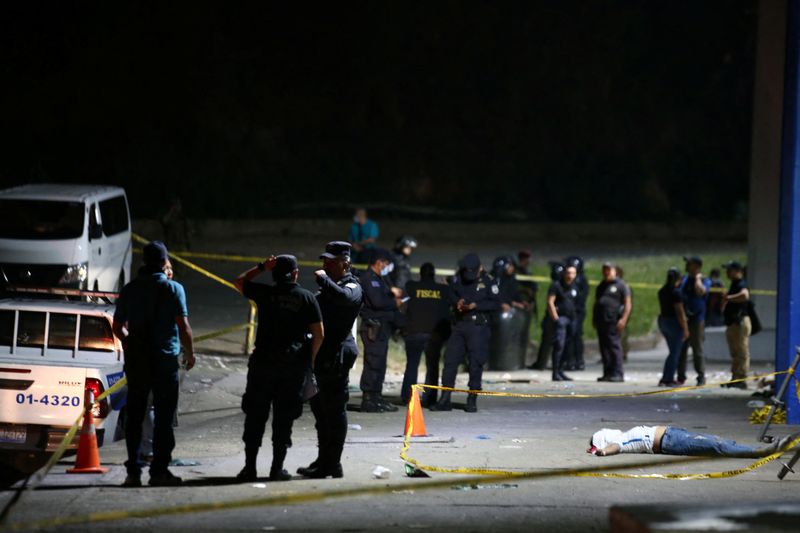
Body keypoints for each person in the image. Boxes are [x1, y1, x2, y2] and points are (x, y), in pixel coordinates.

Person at [233, 255, 324, 482]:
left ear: (274, 273)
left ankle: (249, 468)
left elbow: (239, 281)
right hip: (291, 367)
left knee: (255, 417)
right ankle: (276, 469)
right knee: (283, 419)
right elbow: (319, 334)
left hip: (263, 364)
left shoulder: (265, 293)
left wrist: (261, 266)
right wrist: (311, 361)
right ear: (295, 274)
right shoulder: (306, 297)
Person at [113, 241, 195, 487]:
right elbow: (184, 327)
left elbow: (117, 327)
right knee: (163, 418)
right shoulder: (174, 289)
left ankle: (133, 472)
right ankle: (159, 471)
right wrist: (190, 354)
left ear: (143, 262)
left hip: (138, 363)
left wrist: (129, 345)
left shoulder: (130, 290)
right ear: (163, 262)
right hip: (165, 362)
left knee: (135, 417)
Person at [298, 241, 363, 479]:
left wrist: (323, 279)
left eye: (330, 261)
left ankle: (333, 463)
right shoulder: (329, 287)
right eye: (323, 261)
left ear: (344, 263)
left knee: (334, 410)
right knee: (320, 409)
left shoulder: (351, 286)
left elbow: (345, 298)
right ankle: (323, 460)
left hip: (338, 353)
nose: (324, 265)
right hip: (322, 354)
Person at [431, 253, 500, 413]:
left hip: (477, 327)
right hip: (459, 325)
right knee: (450, 362)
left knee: (476, 363)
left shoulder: (489, 281)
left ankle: (472, 398)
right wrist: (457, 302)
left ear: (478, 268)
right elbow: (450, 293)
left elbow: (496, 303)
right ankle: (445, 398)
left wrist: (476, 305)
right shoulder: (458, 277)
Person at [401, 262, 451, 406]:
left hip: (413, 332)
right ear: (434, 274)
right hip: (433, 335)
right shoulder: (443, 290)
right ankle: (430, 398)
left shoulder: (412, 286)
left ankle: (408, 397)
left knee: (411, 365)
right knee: (432, 367)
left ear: (420, 274)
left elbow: (403, 302)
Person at [359, 248, 402, 412]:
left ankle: (377, 397)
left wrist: (392, 293)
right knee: (373, 363)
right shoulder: (369, 279)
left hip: (382, 327)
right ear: (379, 262)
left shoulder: (380, 278)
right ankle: (368, 399)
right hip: (373, 327)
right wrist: (394, 303)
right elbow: (377, 302)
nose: (387, 267)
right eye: (386, 264)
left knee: (380, 364)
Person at [588, 426, 796, 458]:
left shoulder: (625, 434)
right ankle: (761, 452)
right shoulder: (622, 440)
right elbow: (618, 447)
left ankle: (761, 449)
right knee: (717, 446)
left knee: (717, 442)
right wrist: (603, 452)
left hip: (673, 434)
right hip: (671, 441)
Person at [593, 263, 632, 382]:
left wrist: (624, 319)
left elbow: (627, 304)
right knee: (604, 347)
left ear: (615, 271)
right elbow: (597, 302)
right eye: (604, 270)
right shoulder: (602, 285)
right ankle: (608, 372)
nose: (606, 272)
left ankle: (618, 373)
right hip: (602, 320)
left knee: (614, 347)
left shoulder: (621, 285)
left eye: (609, 270)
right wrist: (594, 318)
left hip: (614, 320)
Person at [677, 256, 712, 386]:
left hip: (697, 319)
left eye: (690, 264)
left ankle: (701, 376)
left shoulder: (704, 280)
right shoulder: (684, 279)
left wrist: (697, 278)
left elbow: (701, 292)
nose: (687, 266)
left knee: (697, 349)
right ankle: (681, 376)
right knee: (682, 349)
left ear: (697, 266)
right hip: (685, 318)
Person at [721, 261, 751, 389]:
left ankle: (742, 379)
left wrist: (729, 298)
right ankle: (735, 378)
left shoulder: (741, 283)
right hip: (733, 323)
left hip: (740, 322)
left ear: (737, 271)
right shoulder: (734, 284)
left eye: (730, 270)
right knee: (735, 352)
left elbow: (745, 295)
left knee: (741, 352)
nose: (727, 272)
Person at [528, 262, 564, 370]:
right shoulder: (559, 285)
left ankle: (546, 364)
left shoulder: (557, 285)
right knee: (550, 342)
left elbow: (551, 303)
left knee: (549, 342)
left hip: (554, 317)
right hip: (555, 317)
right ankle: (544, 364)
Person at [657, 267, 690, 386]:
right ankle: (668, 378)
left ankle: (667, 376)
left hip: (663, 321)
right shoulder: (676, 292)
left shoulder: (662, 291)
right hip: (674, 322)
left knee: (672, 351)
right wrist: (685, 328)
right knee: (675, 353)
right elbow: (680, 311)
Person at [547, 264, 579, 381]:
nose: (570, 275)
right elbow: (550, 302)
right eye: (568, 273)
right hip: (561, 319)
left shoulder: (575, 286)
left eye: (573, 273)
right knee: (559, 345)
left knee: (567, 346)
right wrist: (555, 317)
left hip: (572, 319)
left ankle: (561, 370)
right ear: (564, 273)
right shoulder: (557, 285)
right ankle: (555, 372)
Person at [563, 256, 588, 371]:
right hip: (573, 312)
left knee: (575, 336)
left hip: (577, 312)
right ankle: (572, 360)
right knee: (572, 337)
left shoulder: (579, 281)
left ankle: (576, 360)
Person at [515, 250, 538, 363]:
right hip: (520, 307)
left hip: (527, 306)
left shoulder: (526, 272)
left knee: (525, 332)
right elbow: (516, 289)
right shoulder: (518, 272)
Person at [615, 265, 632, 361]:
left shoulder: (624, 286)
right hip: (610, 315)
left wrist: (625, 316)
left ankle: (623, 355)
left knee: (622, 336)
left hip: (620, 314)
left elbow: (627, 303)